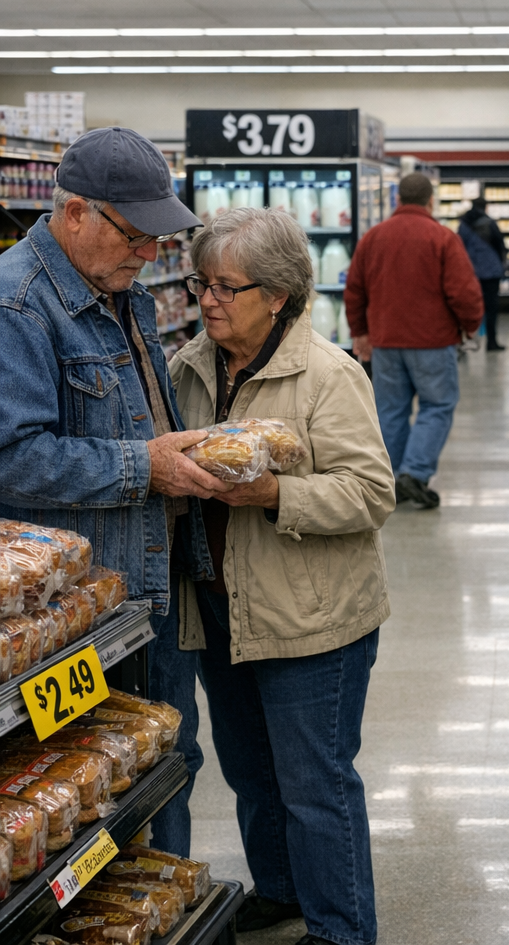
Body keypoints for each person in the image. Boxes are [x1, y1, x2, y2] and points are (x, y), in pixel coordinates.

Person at [170, 208, 394, 945]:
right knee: (252, 776)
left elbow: (370, 494)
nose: (207, 300)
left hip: (311, 618)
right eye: (201, 282)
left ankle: (340, 928)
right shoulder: (188, 369)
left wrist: (275, 496)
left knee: (315, 787)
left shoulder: (328, 376)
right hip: (220, 609)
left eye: (226, 287)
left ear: (278, 294)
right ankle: (280, 890)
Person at [0, 126, 225, 856]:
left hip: (149, 582)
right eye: (134, 234)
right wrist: (146, 468)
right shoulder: (19, 309)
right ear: (73, 215)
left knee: (162, 764)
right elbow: (14, 458)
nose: (149, 253)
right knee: (91, 794)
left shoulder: (123, 291)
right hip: (79, 609)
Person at [345, 172, 483, 510]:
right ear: (430, 201)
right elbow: (463, 292)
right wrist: (470, 326)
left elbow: (354, 290)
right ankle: (415, 472)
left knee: (391, 409)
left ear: (397, 200)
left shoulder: (372, 238)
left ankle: (389, 478)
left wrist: (360, 331)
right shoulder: (442, 238)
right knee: (437, 406)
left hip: (386, 341)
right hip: (433, 341)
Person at [458, 195, 507, 351]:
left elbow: (459, 248)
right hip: (491, 272)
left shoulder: (463, 225)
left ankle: (463, 341)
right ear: (485, 207)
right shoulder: (489, 223)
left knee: (465, 307)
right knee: (491, 308)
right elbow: (500, 245)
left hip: (470, 272)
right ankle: (491, 342)